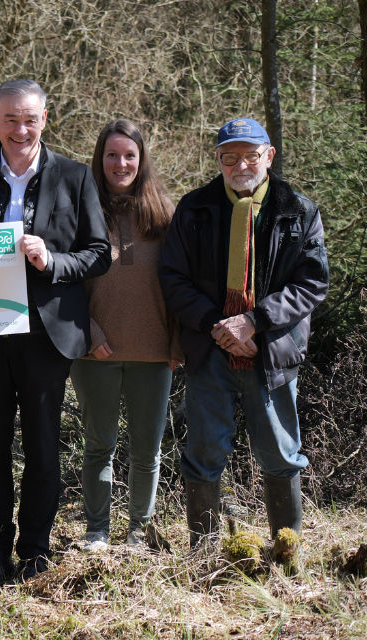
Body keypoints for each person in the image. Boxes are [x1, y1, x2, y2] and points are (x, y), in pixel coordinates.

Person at [0, 79, 111, 586]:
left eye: (30, 119)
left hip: (47, 333)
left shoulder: (74, 175)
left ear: (45, 119)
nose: (21, 129)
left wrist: (52, 260)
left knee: (43, 448)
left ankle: (36, 550)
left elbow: (99, 253)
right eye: (11, 119)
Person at [159, 118, 328, 550]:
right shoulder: (194, 208)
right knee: (204, 453)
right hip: (210, 351)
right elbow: (173, 278)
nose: (240, 166)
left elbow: (312, 282)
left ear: (269, 156)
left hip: (271, 352)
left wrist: (254, 322)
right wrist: (218, 325)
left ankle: (287, 555)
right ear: (218, 160)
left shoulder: (298, 210)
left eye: (250, 156)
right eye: (229, 157)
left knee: (281, 454)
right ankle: (204, 556)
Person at [70, 119, 182, 553]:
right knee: (99, 446)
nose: (121, 163)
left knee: (146, 450)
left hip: (153, 351)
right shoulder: (80, 210)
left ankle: (139, 532)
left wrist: (176, 343)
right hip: (94, 350)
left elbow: (181, 284)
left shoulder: (164, 214)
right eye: (112, 155)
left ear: (142, 159)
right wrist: (88, 330)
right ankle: (97, 531)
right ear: (100, 159)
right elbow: (63, 282)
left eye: (129, 155)